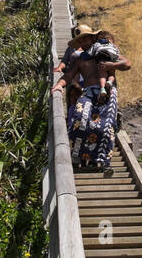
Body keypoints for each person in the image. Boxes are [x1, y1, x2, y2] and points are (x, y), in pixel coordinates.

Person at [53, 30, 130, 173]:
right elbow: (69, 75)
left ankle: (102, 162)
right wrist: (59, 85)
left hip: (107, 92)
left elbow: (127, 64)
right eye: (81, 41)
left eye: (86, 40)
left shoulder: (105, 52)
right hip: (88, 91)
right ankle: (78, 158)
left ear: (92, 39)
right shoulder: (80, 59)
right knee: (79, 120)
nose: (84, 43)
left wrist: (111, 66)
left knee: (105, 126)